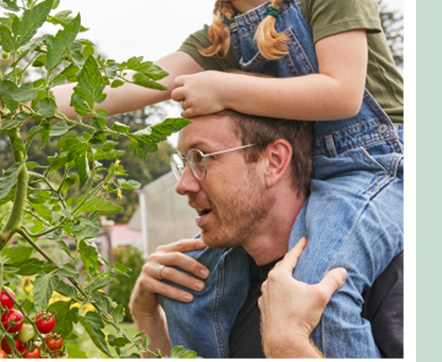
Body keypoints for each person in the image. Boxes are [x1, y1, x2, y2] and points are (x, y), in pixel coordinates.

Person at [0, 0, 404, 357]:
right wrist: (25, 104)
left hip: (376, 168)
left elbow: (341, 94)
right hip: (312, 175)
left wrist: (222, 86)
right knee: (188, 291)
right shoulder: (221, 38)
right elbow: (128, 84)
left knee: (318, 293)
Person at [128, 111, 403, 358]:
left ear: (273, 162)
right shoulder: (224, 288)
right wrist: (148, 317)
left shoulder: (389, 278)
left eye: (201, 158)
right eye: (184, 163)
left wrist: (288, 344)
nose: (183, 184)